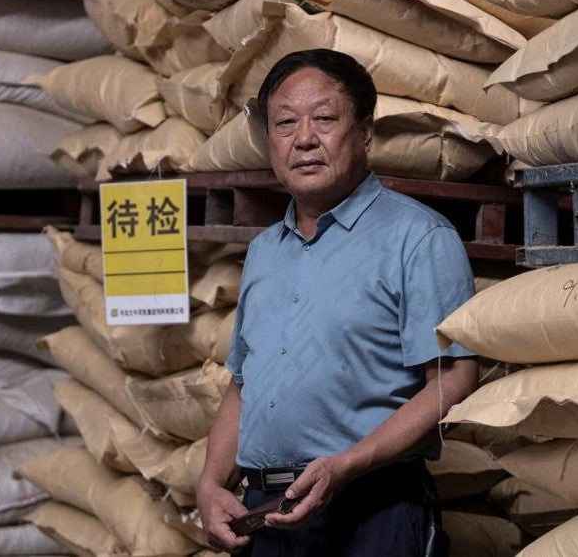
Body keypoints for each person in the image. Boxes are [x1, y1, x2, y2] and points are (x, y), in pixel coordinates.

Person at [196, 48, 479, 556]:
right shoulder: (264, 252)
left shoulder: (418, 238)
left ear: (365, 131)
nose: (304, 138)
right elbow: (243, 384)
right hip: (266, 512)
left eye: (324, 118)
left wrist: (346, 466)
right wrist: (212, 483)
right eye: (285, 123)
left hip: (371, 505)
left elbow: (454, 379)